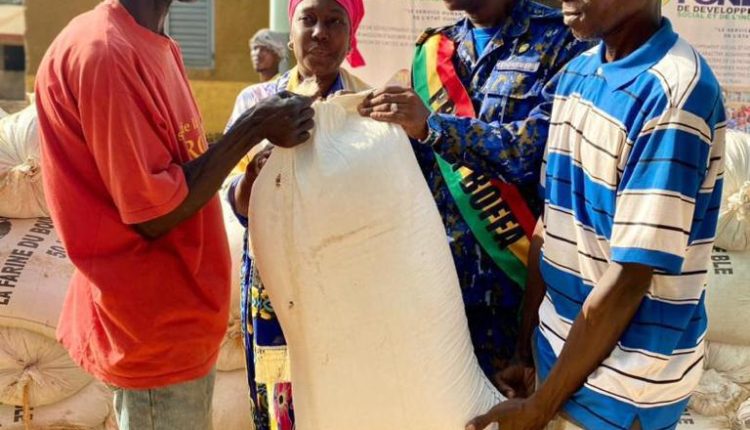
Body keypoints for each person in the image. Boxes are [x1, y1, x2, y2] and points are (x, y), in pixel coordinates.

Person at [34, 1, 314, 428]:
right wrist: (253, 127)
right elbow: (153, 213)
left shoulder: (150, 41)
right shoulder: (106, 53)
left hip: (179, 323)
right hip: (152, 331)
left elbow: (178, 166)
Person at [466, 0, 726, 429]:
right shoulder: (577, 74)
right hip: (556, 360)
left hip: (622, 390)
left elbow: (629, 280)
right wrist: (526, 351)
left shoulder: (676, 94)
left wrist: (541, 406)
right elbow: (551, 224)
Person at [358, 0, 591, 393]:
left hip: (520, 294)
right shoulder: (434, 50)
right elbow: (419, 170)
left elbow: (533, 151)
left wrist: (433, 126)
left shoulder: (563, 40)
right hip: (437, 289)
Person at [223, 0, 368, 429]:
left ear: (351, 36)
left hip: (346, 284)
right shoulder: (255, 102)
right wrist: (255, 176)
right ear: (291, 32)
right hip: (274, 286)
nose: (320, 32)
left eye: (334, 21)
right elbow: (234, 200)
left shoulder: (367, 106)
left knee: (345, 399)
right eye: (308, 19)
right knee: (279, 404)